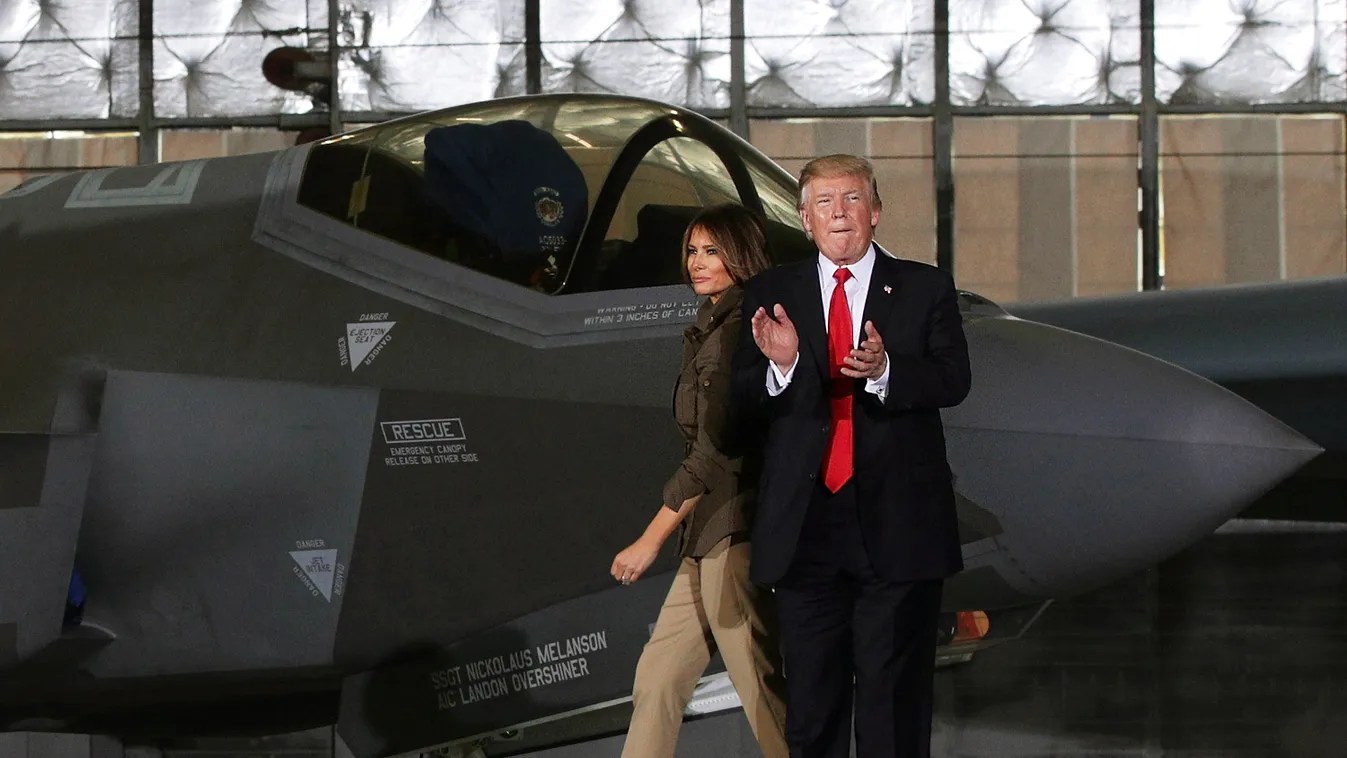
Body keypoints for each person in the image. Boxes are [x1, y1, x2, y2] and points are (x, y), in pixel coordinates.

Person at [731, 155, 971, 758]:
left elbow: (952, 379)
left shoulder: (924, 287)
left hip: (898, 527)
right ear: (805, 218)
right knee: (812, 711)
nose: (840, 213)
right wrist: (782, 366)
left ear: (876, 211)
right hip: (806, 528)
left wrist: (887, 370)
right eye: (825, 202)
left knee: (894, 711)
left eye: (853, 199)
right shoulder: (769, 293)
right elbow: (738, 398)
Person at [611, 203, 789, 758]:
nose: (697, 262)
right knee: (658, 679)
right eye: (692, 250)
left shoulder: (736, 332)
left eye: (712, 250)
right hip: (707, 533)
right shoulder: (713, 326)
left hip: (732, 531)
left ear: (741, 255)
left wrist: (649, 539)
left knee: (760, 691)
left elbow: (712, 455)